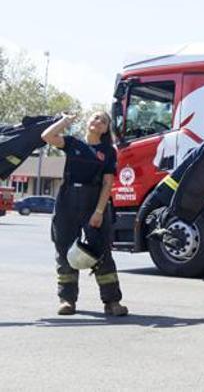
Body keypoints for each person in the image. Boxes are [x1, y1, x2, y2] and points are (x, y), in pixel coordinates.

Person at [41, 112, 128, 316]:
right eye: (95, 118)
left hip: (93, 200)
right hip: (67, 199)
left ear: (106, 129)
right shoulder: (72, 143)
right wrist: (64, 121)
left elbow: (108, 183)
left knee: (102, 251)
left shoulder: (108, 151)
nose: (98, 122)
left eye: (103, 121)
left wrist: (98, 212)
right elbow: (46, 136)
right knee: (64, 250)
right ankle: (67, 300)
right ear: (88, 121)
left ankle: (112, 301)